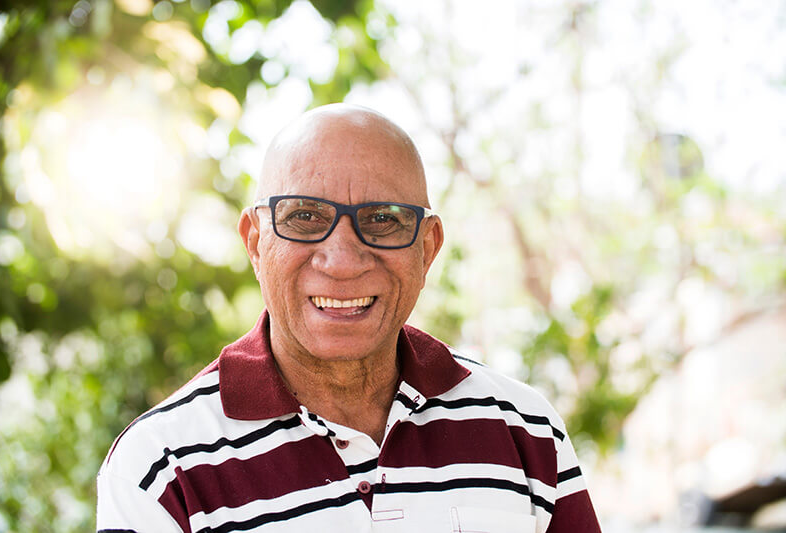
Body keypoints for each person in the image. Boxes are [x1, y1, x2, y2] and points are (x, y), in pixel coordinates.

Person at [96, 104, 601, 533]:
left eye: (383, 220)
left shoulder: (523, 428)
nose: (341, 260)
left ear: (428, 249)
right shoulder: (161, 471)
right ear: (255, 242)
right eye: (305, 218)